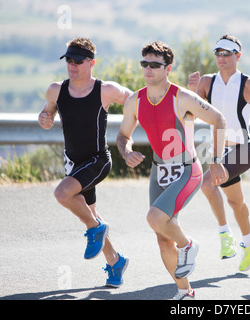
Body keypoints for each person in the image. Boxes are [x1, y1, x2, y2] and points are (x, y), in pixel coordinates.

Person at [116, 41, 226, 300]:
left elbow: (219, 119)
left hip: (187, 171)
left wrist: (217, 159)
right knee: (162, 236)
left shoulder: (182, 97)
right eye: (145, 64)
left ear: (168, 68)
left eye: (155, 65)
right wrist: (126, 150)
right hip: (159, 172)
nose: (148, 69)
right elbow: (122, 136)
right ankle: (185, 291)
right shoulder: (135, 100)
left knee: (155, 218)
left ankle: (188, 244)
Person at [38, 37, 132, 287]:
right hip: (73, 164)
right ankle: (115, 262)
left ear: (91, 63)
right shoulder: (56, 90)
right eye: (68, 60)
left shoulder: (106, 90)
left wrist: (128, 133)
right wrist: (44, 118)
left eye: (78, 61)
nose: (72, 65)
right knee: (89, 213)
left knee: (62, 193)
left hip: (98, 161)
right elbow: (47, 111)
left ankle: (96, 228)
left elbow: (136, 101)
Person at [188, 34, 250, 272]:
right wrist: (192, 91)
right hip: (219, 149)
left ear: (237, 56)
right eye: (218, 53)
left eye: (227, 53)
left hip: (242, 151)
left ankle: (225, 237)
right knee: (235, 201)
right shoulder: (207, 83)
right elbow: (190, 113)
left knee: (207, 184)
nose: (221, 58)